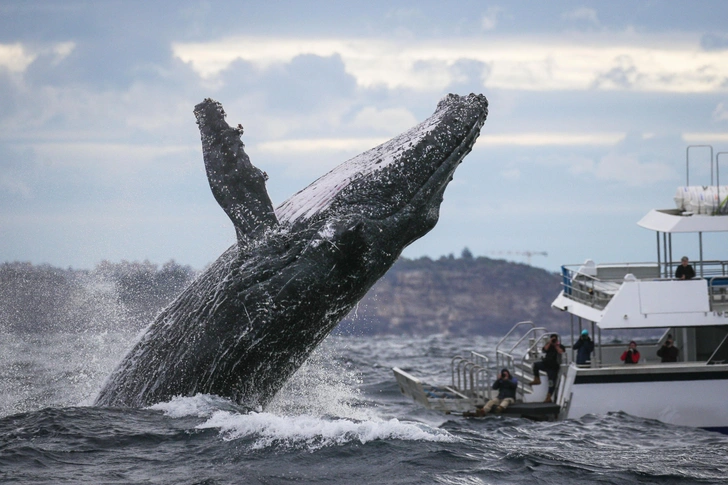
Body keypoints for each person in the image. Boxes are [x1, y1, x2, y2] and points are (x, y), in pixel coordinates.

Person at [528, 334, 565, 403]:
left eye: (554, 339)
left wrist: (556, 345)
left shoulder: (560, 346)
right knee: (535, 365)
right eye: (552, 339)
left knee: (551, 382)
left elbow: (561, 352)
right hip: (546, 364)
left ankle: (548, 397)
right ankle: (537, 379)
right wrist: (550, 343)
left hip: (553, 367)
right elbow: (544, 350)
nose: (553, 341)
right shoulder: (549, 345)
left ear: (557, 340)